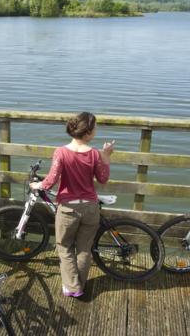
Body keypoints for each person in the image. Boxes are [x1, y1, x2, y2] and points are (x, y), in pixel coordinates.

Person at [29, 112, 114, 297]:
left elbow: (50, 181)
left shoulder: (61, 152)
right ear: (89, 133)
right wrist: (106, 156)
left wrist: (37, 185)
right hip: (90, 207)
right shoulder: (94, 154)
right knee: (84, 248)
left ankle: (73, 287)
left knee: (65, 246)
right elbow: (103, 179)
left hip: (68, 209)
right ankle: (78, 286)